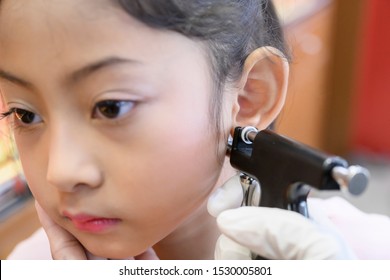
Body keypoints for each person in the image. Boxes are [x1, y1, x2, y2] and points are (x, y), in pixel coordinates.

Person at [1, 0, 389, 260]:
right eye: (24, 114)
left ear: (249, 96)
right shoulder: (30, 263)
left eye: (111, 107)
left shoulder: (365, 255)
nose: (61, 172)